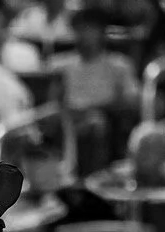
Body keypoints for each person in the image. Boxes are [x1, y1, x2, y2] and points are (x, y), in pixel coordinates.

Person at [56, 7, 140, 176]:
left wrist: (97, 108)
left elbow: (132, 100)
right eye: (80, 29)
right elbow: (55, 101)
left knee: (95, 122)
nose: (85, 34)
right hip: (68, 120)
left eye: (90, 29)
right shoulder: (61, 65)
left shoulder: (119, 65)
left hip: (106, 121)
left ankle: (94, 179)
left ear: (102, 32)